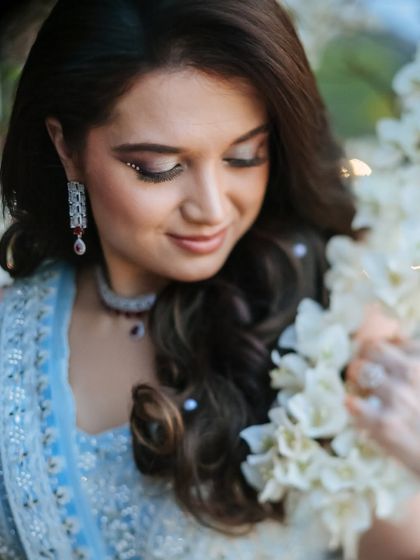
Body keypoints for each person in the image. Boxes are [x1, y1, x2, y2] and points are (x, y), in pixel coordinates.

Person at [0, 0, 415, 558]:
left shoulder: (329, 314)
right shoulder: (10, 335)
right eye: (159, 168)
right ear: (68, 148)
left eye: (245, 156)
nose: (213, 209)